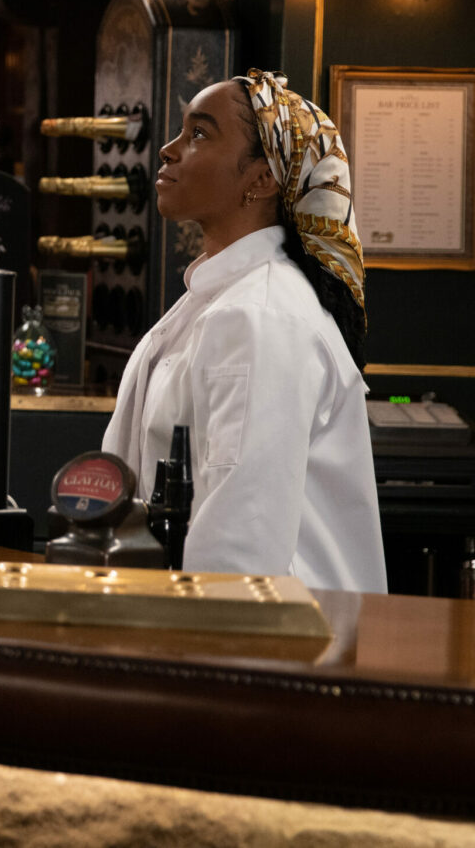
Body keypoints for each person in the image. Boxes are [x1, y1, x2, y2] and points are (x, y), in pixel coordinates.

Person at [102, 69, 386, 592]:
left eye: (200, 134)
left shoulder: (259, 316)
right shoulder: (217, 300)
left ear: (261, 180)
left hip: (275, 647)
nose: (168, 149)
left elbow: (240, 543)